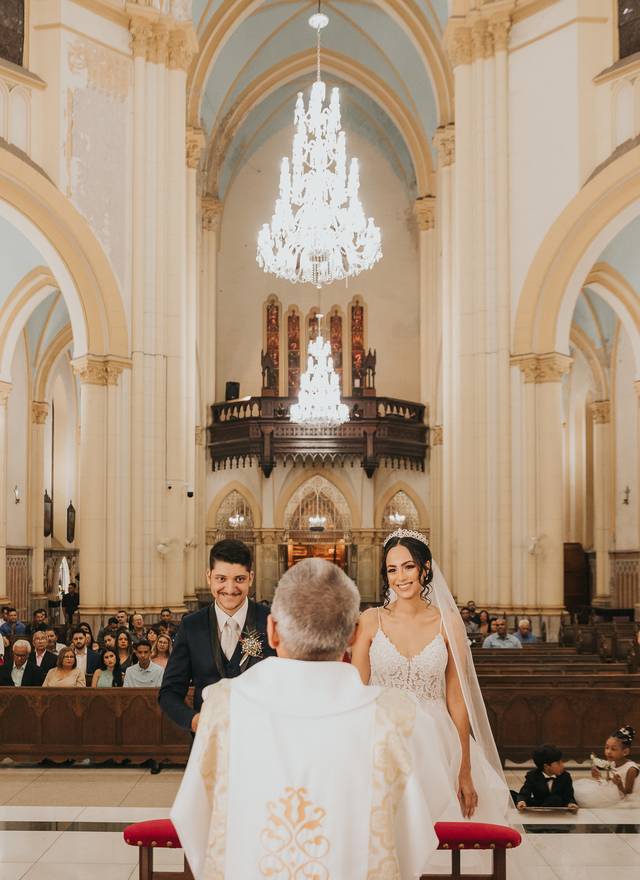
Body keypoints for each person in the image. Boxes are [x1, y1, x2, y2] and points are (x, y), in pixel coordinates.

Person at [172, 557, 459, 879]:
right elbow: (425, 818)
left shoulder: (224, 707)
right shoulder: (400, 716)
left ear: (272, 631)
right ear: (353, 634)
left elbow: (192, 818)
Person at [351, 529, 518, 835]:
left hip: (439, 742)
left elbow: (457, 698)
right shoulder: (370, 620)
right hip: (383, 738)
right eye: (392, 569)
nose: (400, 576)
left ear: (425, 568)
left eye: (408, 566)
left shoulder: (448, 622)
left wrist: (464, 768)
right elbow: (356, 693)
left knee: (442, 836)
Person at [159, 539, 276, 732]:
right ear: (209, 576)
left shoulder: (270, 621)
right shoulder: (191, 626)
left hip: (261, 738)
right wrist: (195, 720)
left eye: (239, 579)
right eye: (221, 579)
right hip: (208, 742)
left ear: (251, 577)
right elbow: (169, 692)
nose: (230, 589)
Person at [574, 725, 639, 808]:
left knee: (586, 798)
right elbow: (609, 784)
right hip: (610, 794)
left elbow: (629, 796)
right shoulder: (612, 763)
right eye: (607, 747)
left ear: (625, 752)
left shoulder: (631, 769)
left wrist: (619, 785)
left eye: (613, 749)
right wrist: (598, 777)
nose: (608, 752)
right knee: (578, 790)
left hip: (621, 798)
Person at [513, 745, 578, 810]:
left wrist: (571, 803)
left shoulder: (565, 776)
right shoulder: (533, 775)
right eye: (558, 763)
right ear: (546, 766)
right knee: (512, 794)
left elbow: (569, 796)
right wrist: (522, 801)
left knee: (555, 799)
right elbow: (525, 792)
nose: (562, 765)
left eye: (562, 762)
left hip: (557, 805)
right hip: (539, 804)